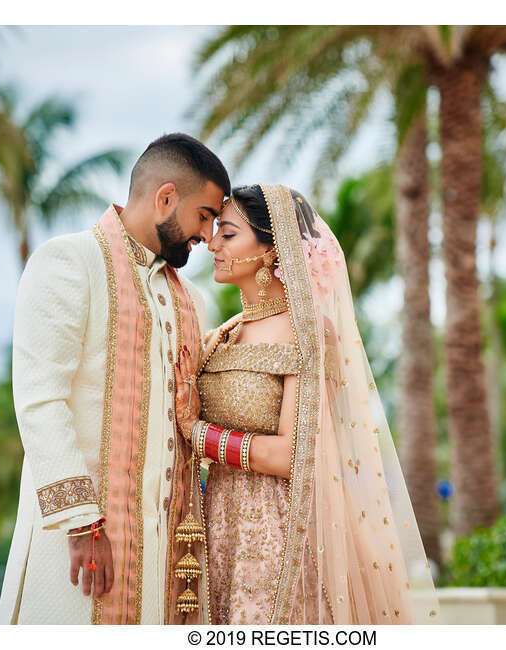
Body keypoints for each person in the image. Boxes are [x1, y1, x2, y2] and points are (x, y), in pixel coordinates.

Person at [174, 184, 440, 624]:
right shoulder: (222, 334)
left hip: (281, 530)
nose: (212, 243)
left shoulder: (309, 333)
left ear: (270, 250)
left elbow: (291, 456)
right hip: (217, 527)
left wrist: (198, 433)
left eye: (229, 233)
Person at [0, 133, 229, 625]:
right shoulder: (69, 262)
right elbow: (40, 398)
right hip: (82, 547)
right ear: (166, 197)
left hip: (168, 555)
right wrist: (81, 521)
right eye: (204, 216)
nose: (208, 236)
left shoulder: (192, 300)